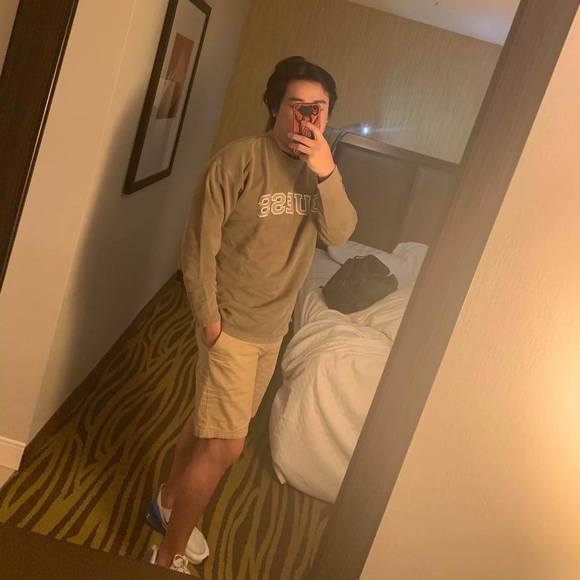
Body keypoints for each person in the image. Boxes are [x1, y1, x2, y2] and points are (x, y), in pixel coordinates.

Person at [147, 56, 358, 573]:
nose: (307, 117)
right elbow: (198, 247)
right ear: (274, 107)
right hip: (231, 326)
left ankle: (167, 502)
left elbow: (340, 233)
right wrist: (209, 321)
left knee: (209, 425)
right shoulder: (238, 161)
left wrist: (326, 170)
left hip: (273, 328)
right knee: (227, 446)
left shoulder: (321, 173)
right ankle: (167, 554)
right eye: (296, 105)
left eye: (318, 108)